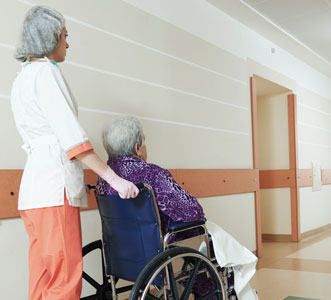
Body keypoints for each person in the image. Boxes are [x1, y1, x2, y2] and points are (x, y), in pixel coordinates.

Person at [10, 6, 139, 300]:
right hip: (54, 191)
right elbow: (74, 140)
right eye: (65, 36)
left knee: (42, 279)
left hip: (33, 194)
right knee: (65, 282)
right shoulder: (46, 72)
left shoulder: (22, 79)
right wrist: (115, 180)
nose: (67, 43)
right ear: (49, 37)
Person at [96, 116, 259, 300]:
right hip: (160, 249)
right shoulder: (151, 174)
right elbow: (193, 213)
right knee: (210, 241)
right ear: (137, 148)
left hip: (123, 253)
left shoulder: (104, 180)